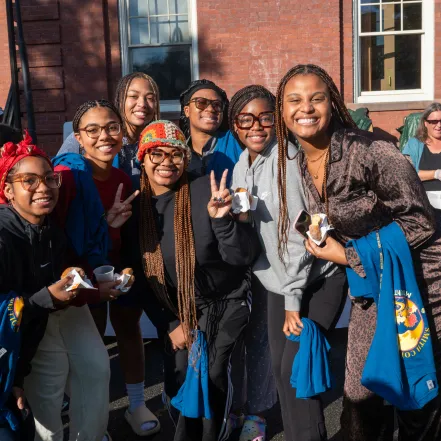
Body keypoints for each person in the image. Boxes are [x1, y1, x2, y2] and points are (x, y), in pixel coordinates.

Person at [275, 63, 441, 441]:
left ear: (331, 104)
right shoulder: (301, 160)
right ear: (281, 110)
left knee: (418, 397)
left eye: (316, 98)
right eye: (294, 100)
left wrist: (343, 255)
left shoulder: (372, 152)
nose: (306, 108)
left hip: (422, 287)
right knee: (361, 392)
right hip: (372, 289)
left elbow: (421, 223)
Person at [122, 120, 261, 441]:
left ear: (186, 159)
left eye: (176, 155)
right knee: (181, 375)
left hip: (227, 300)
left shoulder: (204, 191)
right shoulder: (136, 210)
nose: (166, 163)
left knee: (211, 372)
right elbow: (141, 280)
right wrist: (171, 323)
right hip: (177, 309)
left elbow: (243, 257)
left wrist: (223, 222)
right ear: (142, 158)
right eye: (156, 154)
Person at [231, 84, 347, 441]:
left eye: (265, 117)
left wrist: (293, 300)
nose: (256, 126)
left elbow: (300, 237)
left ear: (277, 120)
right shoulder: (242, 165)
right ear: (234, 124)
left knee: (299, 370)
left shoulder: (287, 161)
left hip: (316, 279)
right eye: (245, 119)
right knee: (282, 373)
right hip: (279, 283)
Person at [56, 96, 160, 437]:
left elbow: (127, 232)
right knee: (91, 349)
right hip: (83, 275)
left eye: (112, 127)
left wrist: (129, 267)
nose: (104, 136)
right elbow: (63, 238)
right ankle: (92, 418)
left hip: (117, 269)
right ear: (79, 137)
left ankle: (135, 404)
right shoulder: (67, 177)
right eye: (93, 129)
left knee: (128, 330)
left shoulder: (122, 176)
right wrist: (107, 223)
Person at [179, 79, 243, 184]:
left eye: (217, 104)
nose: (210, 109)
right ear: (187, 111)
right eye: (201, 102)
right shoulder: (178, 153)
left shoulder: (237, 141)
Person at [403, 102, 441, 210]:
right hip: (422, 203)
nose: (439, 125)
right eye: (434, 121)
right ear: (425, 123)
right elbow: (406, 174)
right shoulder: (414, 144)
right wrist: (436, 174)